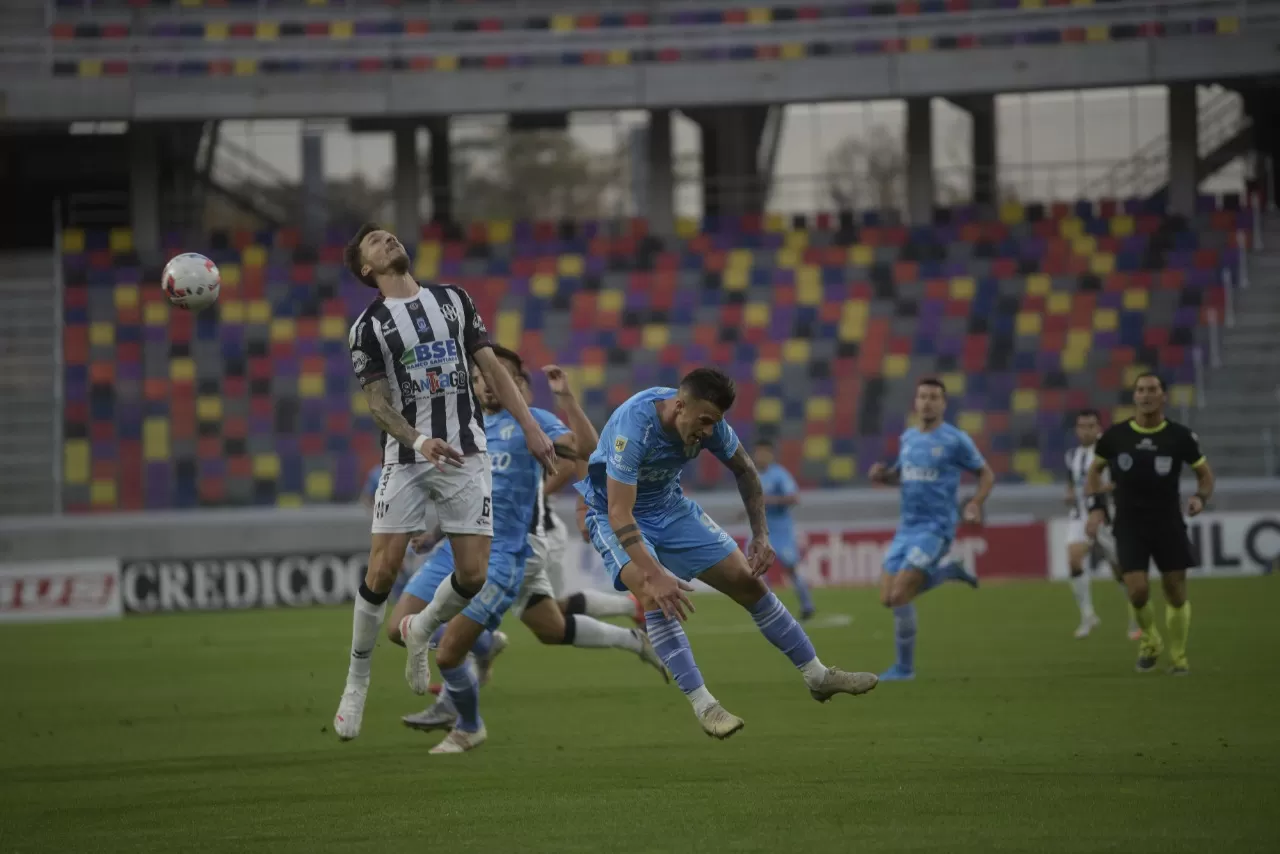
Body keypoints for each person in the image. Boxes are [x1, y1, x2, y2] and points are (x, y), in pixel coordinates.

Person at [333, 223, 556, 741]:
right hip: (407, 458)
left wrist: (529, 426)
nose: (389, 240)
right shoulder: (367, 328)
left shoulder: (454, 300)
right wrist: (417, 440)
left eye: (390, 235)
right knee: (384, 569)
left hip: (466, 453)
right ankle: (356, 681)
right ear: (367, 269)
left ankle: (422, 630)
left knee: (473, 577)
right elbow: (378, 405)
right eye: (375, 242)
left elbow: (494, 371)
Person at [577, 367, 878, 740]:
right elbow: (621, 511)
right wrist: (654, 573)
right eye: (703, 421)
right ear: (679, 404)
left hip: (669, 508)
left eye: (714, 423)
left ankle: (818, 677)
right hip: (613, 514)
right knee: (653, 593)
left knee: (746, 582)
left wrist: (761, 534)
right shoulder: (634, 426)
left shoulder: (711, 423)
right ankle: (706, 706)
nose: (707, 431)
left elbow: (746, 470)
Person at [391, 352, 664, 752]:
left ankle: (466, 720)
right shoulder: (463, 427)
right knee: (545, 628)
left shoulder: (530, 423)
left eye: (499, 376)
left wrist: (567, 399)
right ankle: (627, 640)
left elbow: (586, 449)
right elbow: (466, 493)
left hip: (509, 551)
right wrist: (434, 534)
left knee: (450, 653)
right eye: (480, 376)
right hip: (457, 547)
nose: (488, 382)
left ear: (517, 384)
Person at [1085, 373, 1214, 674]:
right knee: (1137, 590)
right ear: (1134, 397)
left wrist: (1200, 498)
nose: (1146, 395)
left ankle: (1179, 656)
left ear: (1163, 396)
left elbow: (1205, 474)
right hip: (1129, 524)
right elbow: (1094, 473)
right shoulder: (1115, 437)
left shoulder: (1180, 436)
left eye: (1152, 390)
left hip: (1168, 522)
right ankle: (1151, 640)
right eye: (1141, 390)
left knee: (1175, 591)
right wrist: (1096, 505)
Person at [868, 377, 994, 682]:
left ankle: (904, 669)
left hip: (936, 528)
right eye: (922, 396)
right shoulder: (908, 438)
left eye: (934, 397)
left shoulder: (955, 439)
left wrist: (975, 502)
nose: (927, 402)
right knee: (887, 597)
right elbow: (903, 476)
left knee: (900, 595)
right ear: (915, 401)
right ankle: (949, 571)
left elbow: (986, 473)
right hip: (906, 528)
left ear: (943, 403)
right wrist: (883, 476)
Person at [1063, 409, 1138, 640]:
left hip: (1108, 516)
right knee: (1074, 558)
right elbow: (1071, 484)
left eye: (1090, 426)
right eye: (1081, 426)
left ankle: (1136, 616)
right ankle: (1088, 616)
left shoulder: (1109, 453)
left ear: (1099, 429)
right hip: (1079, 515)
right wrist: (1069, 494)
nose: (1085, 431)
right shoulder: (1071, 455)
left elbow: (1121, 483)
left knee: (1121, 571)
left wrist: (1096, 489)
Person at [752, 439, 815, 620]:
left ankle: (807, 605)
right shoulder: (753, 474)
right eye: (757, 452)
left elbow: (794, 498)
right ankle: (769, 609)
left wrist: (768, 500)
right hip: (761, 531)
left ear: (770, 454)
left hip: (781, 530)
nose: (759, 456)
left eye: (763, 452)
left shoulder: (779, 474)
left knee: (791, 568)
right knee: (756, 569)